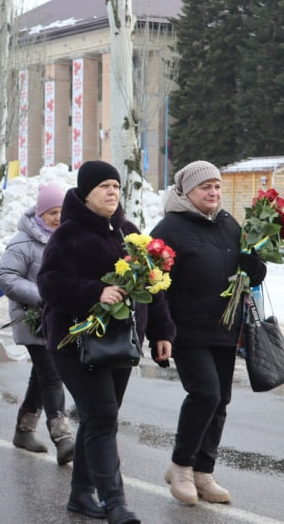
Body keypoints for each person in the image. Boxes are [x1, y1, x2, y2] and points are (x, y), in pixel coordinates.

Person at [37, 161, 175, 524]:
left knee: (100, 419)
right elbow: (48, 283)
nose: (112, 192)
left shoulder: (129, 233)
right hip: (73, 341)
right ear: (86, 194)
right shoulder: (67, 234)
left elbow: (150, 286)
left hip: (120, 343)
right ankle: (115, 502)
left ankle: (81, 495)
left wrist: (162, 332)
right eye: (104, 187)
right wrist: (94, 292)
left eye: (116, 185)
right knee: (101, 417)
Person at [150, 161, 266, 506]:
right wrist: (160, 331)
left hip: (224, 328)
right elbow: (153, 286)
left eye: (216, 186)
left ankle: (204, 470)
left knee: (221, 401)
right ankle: (181, 466)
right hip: (185, 329)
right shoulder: (168, 228)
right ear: (187, 192)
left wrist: (254, 270)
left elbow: (245, 272)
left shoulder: (229, 224)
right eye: (205, 187)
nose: (213, 193)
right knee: (205, 394)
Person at [0, 183, 75, 465]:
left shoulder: (68, 237)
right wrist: (43, 296)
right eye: (52, 212)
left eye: (61, 212)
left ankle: (23, 430)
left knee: (42, 375)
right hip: (33, 319)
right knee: (52, 372)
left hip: (61, 319)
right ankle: (62, 436)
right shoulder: (23, 241)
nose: (57, 217)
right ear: (40, 213)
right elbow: (6, 276)